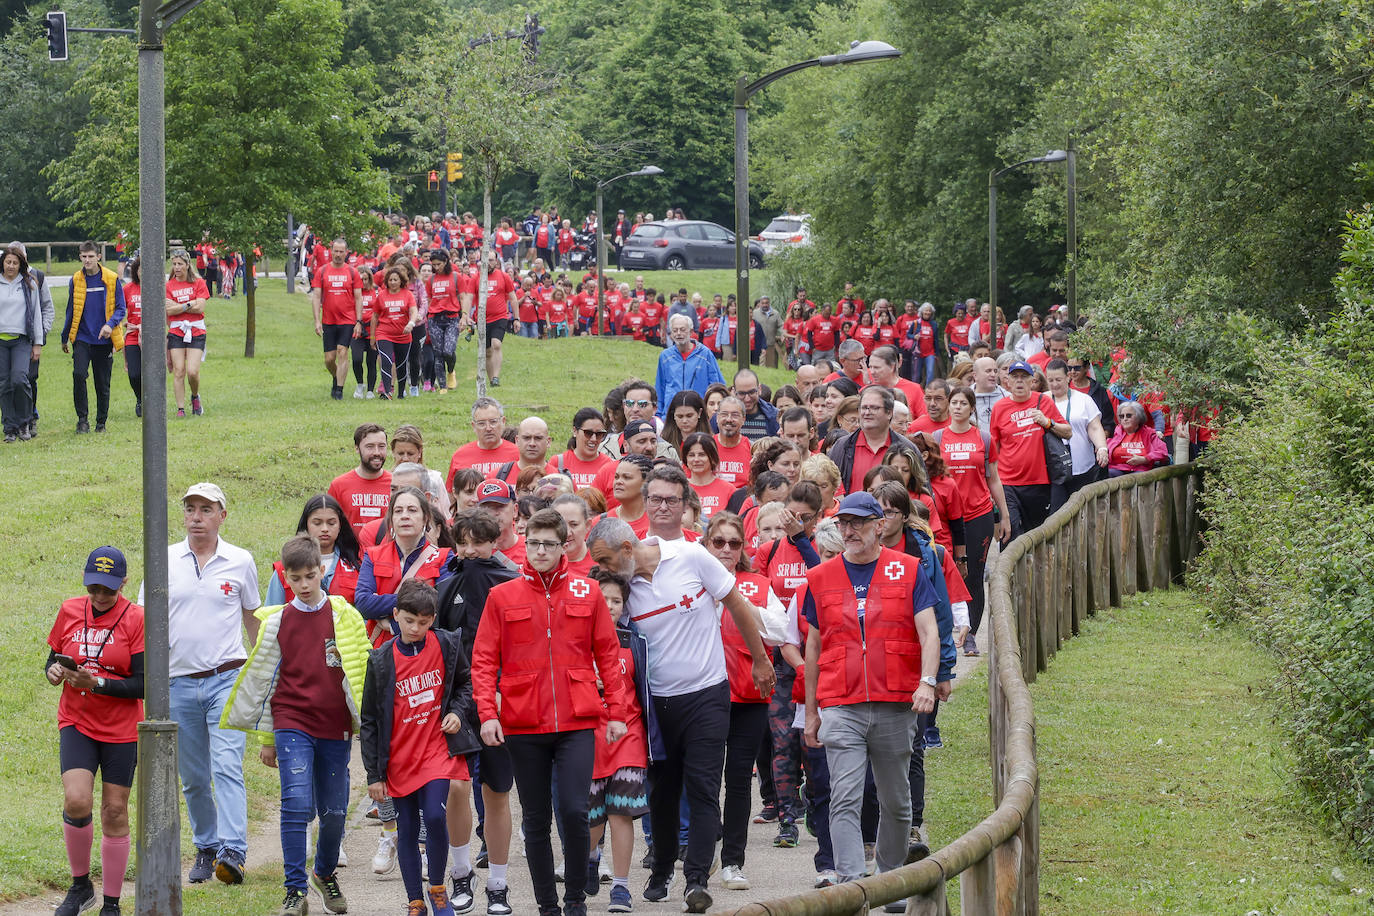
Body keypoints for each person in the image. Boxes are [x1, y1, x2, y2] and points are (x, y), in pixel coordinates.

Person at [584, 518, 775, 914]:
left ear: (626, 549)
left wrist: (759, 659)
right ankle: (663, 868)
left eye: (604, 559)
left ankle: (696, 880)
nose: (601, 568)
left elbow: (737, 604)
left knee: (704, 787)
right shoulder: (621, 591)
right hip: (656, 706)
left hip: (707, 695)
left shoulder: (690, 555)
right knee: (664, 793)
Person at [472, 508, 632, 916]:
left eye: (549, 543)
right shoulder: (502, 596)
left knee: (577, 811)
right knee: (536, 819)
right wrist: (488, 713)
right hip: (524, 723)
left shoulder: (587, 591)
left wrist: (616, 712)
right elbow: (485, 661)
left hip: (578, 720)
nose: (540, 551)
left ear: (565, 546)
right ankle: (548, 905)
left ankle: (575, 899)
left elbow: (608, 655)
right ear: (525, 543)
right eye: (534, 543)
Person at [220, 535, 369, 916]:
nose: (304, 585)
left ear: (323, 572)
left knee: (334, 811)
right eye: (296, 578)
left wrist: (367, 724)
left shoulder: (345, 615)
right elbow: (268, 682)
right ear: (286, 578)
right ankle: (294, 889)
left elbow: (362, 666)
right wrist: (269, 738)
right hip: (291, 722)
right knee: (296, 803)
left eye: (310, 576)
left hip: (335, 727)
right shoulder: (277, 622)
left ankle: (323, 874)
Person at [801, 493, 941, 888]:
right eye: (844, 523)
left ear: (880, 525)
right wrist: (811, 712)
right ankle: (852, 887)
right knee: (844, 796)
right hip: (841, 702)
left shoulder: (909, 569)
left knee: (896, 802)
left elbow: (929, 630)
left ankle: (890, 880)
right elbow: (813, 645)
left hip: (895, 702)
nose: (850, 531)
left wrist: (927, 682)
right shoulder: (820, 577)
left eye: (859, 523)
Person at [146, 482, 261, 885]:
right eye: (191, 509)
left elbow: (252, 619)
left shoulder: (240, 561)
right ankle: (207, 845)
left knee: (227, 763)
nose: (197, 516)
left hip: (226, 677)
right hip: (178, 682)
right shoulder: (163, 560)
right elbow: (147, 623)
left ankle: (234, 850)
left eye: (206, 509)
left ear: (222, 515)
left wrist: (263, 672)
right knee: (193, 775)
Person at [361, 580, 478, 916]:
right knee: (408, 829)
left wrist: (456, 711)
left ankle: (438, 889)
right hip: (399, 758)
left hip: (436, 751)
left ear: (433, 619)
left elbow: (465, 683)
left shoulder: (446, 644)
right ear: (395, 614)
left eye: (424, 622)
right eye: (409, 620)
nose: (415, 628)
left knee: (437, 816)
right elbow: (369, 720)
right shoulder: (381, 660)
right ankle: (415, 901)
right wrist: (374, 774)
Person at [46, 546, 143, 916]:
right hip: (78, 721)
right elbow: (53, 658)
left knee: (115, 810)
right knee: (76, 799)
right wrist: (54, 671)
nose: (101, 597)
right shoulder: (70, 610)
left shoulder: (136, 619)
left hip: (121, 729)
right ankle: (80, 886)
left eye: (109, 590)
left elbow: (143, 685)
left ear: (123, 583)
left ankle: (112, 903)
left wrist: (97, 682)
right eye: (94, 589)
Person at [432, 510, 519, 916]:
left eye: (477, 542)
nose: (469, 550)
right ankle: (461, 872)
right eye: (461, 542)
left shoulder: (511, 582)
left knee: (498, 793)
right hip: (457, 703)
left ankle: (498, 884)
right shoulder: (445, 583)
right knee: (456, 788)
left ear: (495, 542)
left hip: (501, 702)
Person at [702, 512, 784, 892]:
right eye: (718, 542)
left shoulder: (757, 583)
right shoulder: (691, 581)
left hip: (748, 697)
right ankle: (702, 853)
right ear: (706, 544)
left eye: (734, 544)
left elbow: (783, 630)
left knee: (737, 780)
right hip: (702, 696)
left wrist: (737, 600)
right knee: (701, 780)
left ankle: (734, 860)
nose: (726, 550)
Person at [583, 569, 653, 913]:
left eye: (616, 601)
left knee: (620, 813)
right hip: (589, 737)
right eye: (603, 598)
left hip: (628, 733)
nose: (609, 605)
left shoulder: (634, 641)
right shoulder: (575, 640)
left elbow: (644, 691)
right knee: (592, 818)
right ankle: (592, 855)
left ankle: (622, 889)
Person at [938, 388, 1010, 657]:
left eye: (963, 403)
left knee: (974, 577)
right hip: (946, 517)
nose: (957, 407)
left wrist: (1003, 515)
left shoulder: (983, 438)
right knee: (948, 572)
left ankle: (971, 635)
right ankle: (948, 630)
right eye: (953, 402)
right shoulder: (937, 438)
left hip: (978, 513)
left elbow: (994, 478)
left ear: (971, 408)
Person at [355, 486, 454, 645]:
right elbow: (363, 604)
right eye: (398, 511)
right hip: (381, 652)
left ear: (425, 518)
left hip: (425, 652)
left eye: (412, 510)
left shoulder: (444, 557)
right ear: (391, 518)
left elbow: (442, 605)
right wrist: (420, 599)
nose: (405, 516)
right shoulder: (372, 555)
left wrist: (395, 624)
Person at [990, 361, 1071, 538]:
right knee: (1010, 532)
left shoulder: (1043, 401)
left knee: (1036, 535)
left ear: (1032, 381)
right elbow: (993, 451)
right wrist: (991, 482)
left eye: (1024, 377)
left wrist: (1047, 422)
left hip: (1038, 482)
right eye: (1015, 377)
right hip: (1008, 482)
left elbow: (1068, 432)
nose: (1019, 381)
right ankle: (1010, 567)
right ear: (1007, 382)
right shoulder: (999, 408)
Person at [62, 242, 126, 433]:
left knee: (102, 382)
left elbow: (121, 308)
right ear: (80, 257)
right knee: (79, 374)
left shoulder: (111, 278)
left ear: (98, 256)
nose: (87, 260)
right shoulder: (76, 279)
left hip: (104, 339)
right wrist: (64, 337)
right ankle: (82, 420)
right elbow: (70, 310)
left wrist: (110, 325)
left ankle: (101, 422)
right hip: (82, 337)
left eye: (91, 256)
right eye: (84, 256)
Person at [266, 494, 363, 606]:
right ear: (306, 524)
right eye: (317, 523)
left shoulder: (358, 566)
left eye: (331, 523)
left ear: (340, 525)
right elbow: (271, 614)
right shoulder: (284, 568)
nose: (325, 529)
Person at [826, 386, 919, 494]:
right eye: (864, 407)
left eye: (874, 408)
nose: (867, 412)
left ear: (889, 413)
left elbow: (920, 490)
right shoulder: (841, 447)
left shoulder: (907, 448)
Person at [0, 243, 50, 442]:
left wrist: (37, 343)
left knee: (20, 379)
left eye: (15, 262)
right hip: (1, 342)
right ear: (2, 263)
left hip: (22, 340)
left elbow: (37, 314)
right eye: (8, 262)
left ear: (21, 264)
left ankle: (24, 423)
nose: (11, 266)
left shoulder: (29, 284)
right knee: (3, 385)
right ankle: (10, 427)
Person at [1045, 359, 1108, 498]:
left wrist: (1102, 448)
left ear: (1068, 377)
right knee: (1057, 511)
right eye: (1050, 380)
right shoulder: (1042, 401)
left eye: (1058, 379)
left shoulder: (1083, 399)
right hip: (1054, 468)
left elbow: (1095, 427)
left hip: (1083, 466)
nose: (1054, 384)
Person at [311, 239, 364, 401]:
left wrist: (358, 321)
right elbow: (317, 296)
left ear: (346, 252)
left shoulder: (352, 272)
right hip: (329, 320)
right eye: (336, 251)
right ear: (331, 251)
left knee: (343, 352)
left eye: (342, 251)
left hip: (347, 320)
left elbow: (358, 298)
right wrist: (317, 320)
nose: (338, 254)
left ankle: (339, 390)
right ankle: (336, 376)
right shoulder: (322, 271)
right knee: (329, 359)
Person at [164, 248, 210, 417]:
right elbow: (169, 311)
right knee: (179, 370)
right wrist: (189, 304)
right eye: (174, 264)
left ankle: (195, 396)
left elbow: (201, 307)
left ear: (187, 265)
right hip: (176, 330)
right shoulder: (168, 286)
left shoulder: (198, 283)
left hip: (196, 330)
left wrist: (179, 307)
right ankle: (181, 409)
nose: (176, 267)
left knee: (192, 371)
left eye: (180, 264)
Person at [330, 422, 393, 535]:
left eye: (381, 446)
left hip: (386, 551)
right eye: (370, 447)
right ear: (357, 448)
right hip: (350, 551)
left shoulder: (396, 484)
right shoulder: (339, 485)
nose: (377, 452)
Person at [655, 314, 725, 414]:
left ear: (691, 331)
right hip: (671, 415)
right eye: (675, 330)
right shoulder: (665, 357)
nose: (678, 333)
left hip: (699, 414)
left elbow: (717, 385)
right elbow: (660, 387)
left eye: (682, 329)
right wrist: (659, 414)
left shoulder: (705, 354)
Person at [446, 398, 521, 487]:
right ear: (474, 426)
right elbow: (451, 496)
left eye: (493, 422)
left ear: (503, 422)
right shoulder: (460, 456)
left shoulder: (518, 454)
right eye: (481, 423)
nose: (488, 428)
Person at [1105, 401, 1169, 476]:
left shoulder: (1149, 433)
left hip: (1141, 469)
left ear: (1139, 417)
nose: (1125, 419)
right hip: (1117, 469)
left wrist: (1145, 459)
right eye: (1122, 416)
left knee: (1140, 477)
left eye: (1129, 415)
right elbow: (1105, 450)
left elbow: (1163, 452)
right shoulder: (1114, 432)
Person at [712, 397, 753, 486]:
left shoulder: (752, 449)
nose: (729, 419)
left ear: (743, 420)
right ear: (717, 418)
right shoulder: (706, 447)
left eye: (735, 415)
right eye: (724, 414)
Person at [752, 296, 785, 369]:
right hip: (758, 346)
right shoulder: (755, 313)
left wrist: (783, 334)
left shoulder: (775, 313)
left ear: (769, 303)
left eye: (766, 303)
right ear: (760, 304)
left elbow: (781, 325)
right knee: (758, 367)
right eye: (763, 303)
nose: (764, 305)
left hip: (771, 344)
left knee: (771, 367)